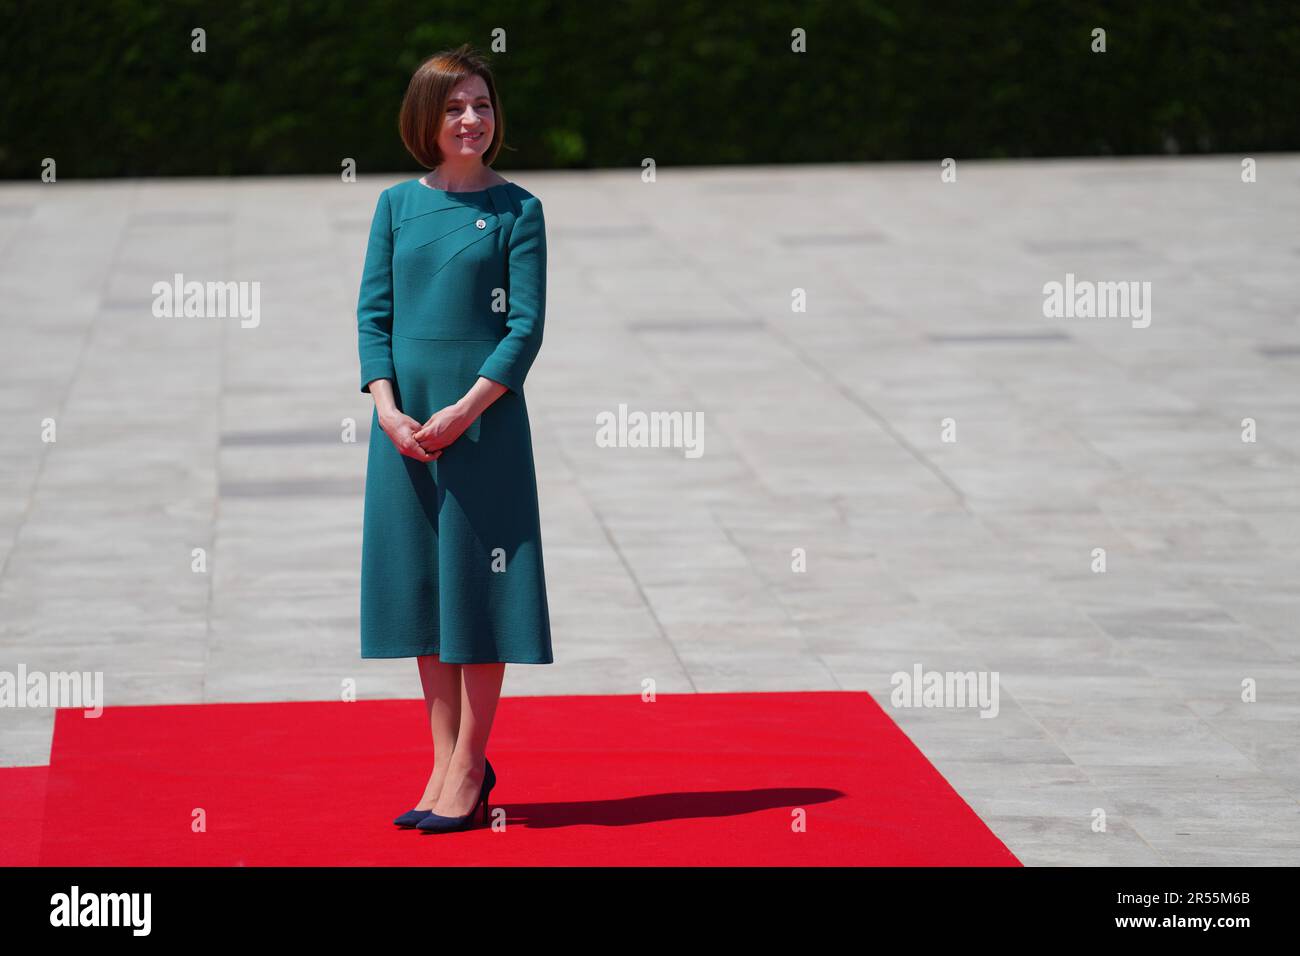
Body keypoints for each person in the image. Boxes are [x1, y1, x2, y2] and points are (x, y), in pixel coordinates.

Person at [355, 44, 553, 834]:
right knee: (423, 592)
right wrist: (386, 409)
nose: (471, 120)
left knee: (481, 589)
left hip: (483, 426)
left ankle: (471, 763)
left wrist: (467, 410)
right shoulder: (397, 207)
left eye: (482, 105)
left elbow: (526, 327)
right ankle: (440, 759)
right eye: (454, 108)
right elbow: (374, 318)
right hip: (404, 431)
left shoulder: (519, 211)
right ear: (426, 120)